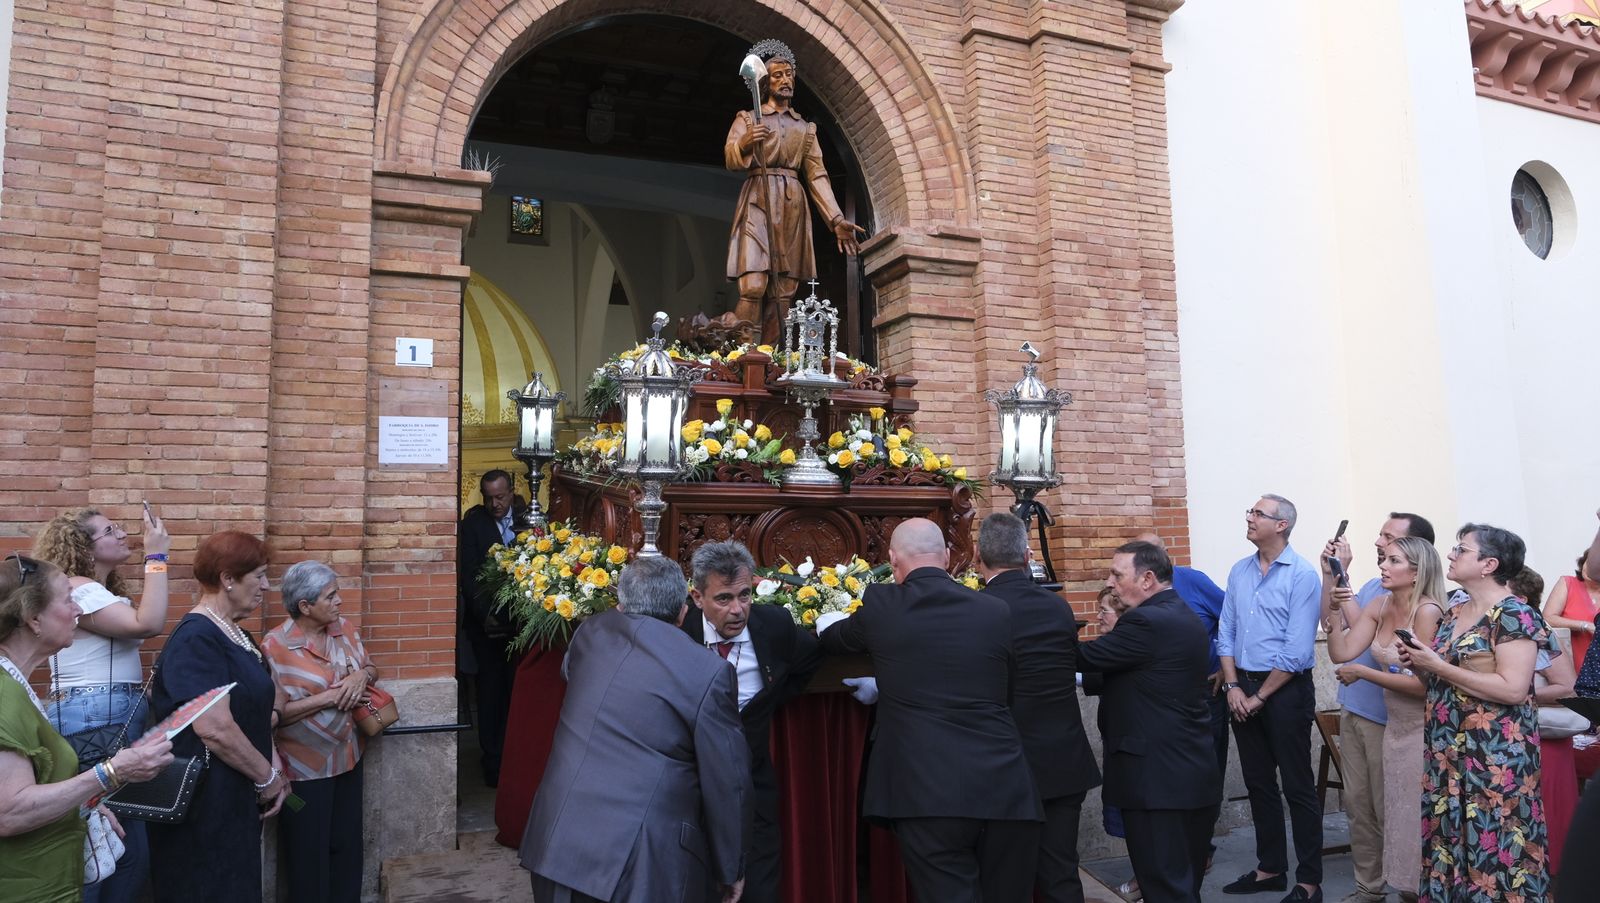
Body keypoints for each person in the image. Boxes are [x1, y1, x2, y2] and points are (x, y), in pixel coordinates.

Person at [816, 518, 1042, 902]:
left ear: (892, 561)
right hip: (1006, 786)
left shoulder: (883, 604)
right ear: (951, 557)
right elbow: (1008, 692)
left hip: (927, 792)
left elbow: (835, 639)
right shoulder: (995, 610)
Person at [519, 555, 750, 903]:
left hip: (557, 839)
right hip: (638, 864)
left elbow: (572, 674)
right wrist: (730, 868)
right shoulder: (708, 672)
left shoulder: (590, 632)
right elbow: (727, 780)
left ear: (621, 603)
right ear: (684, 610)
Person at [0, 554, 173, 903]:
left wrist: (82, 803)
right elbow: (9, 812)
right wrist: (110, 772)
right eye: (67, 599)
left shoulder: (16, 685)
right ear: (34, 619)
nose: (78, 610)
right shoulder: (4, 695)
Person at [1398, 523, 1551, 902]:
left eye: (1461, 549)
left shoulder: (1515, 614)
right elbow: (1441, 679)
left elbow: (1514, 689)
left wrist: (1437, 665)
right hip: (1447, 755)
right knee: (1448, 847)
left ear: (1489, 564)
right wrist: (1419, 661)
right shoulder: (1454, 611)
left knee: (1498, 850)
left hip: (1495, 761)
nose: (1450, 554)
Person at [147, 531, 291, 902]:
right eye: (258, 576)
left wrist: (272, 766)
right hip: (205, 802)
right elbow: (213, 727)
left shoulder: (239, 635)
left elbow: (260, 707)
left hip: (234, 797)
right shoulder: (197, 638)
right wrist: (266, 778)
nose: (266, 586)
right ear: (227, 579)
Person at [1077, 540, 1222, 903]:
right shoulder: (1178, 612)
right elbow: (1127, 673)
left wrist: (1038, 623)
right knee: (1181, 886)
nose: (1110, 582)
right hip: (1185, 775)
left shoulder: (1146, 620)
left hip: (1158, 784)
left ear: (1147, 579)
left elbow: (1083, 656)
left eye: (1116, 574)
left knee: (1166, 888)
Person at [680, 540, 819, 903]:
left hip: (753, 781)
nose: (738, 609)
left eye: (744, 595)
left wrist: (771, 700)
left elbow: (807, 662)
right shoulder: (679, 634)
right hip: (690, 783)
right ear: (697, 598)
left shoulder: (774, 625)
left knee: (759, 881)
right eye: (723, 599)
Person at [976, 512, 1100, 903]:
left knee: (1006, 880)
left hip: (1007, 764)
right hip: (1063, 758)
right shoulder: (1058, 608)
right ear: (1028, 554)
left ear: (977, 557)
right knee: (1061, 873)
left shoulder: (977, 610)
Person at [1319, 511, 1436, 903]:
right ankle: (1371, 887)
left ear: (1418, 560)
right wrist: (1334, 609)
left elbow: (1423, 683)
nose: (1380, 549)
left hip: (1410, 725)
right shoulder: (1379, 598)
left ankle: (1413, 887)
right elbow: (1342, 651)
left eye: (1391, 546)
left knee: (1402, 813)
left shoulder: (1430, 610)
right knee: (1360, 804)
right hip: (1367, 712)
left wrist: (1364, 674)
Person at [1217, 494, 1324, 903]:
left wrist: (1259, 695)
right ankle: (1270, 868)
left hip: (1285, 690)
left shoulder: (1302, 575)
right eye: (1250, 510)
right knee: (1258, 782)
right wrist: (1233, 687)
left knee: (1297, 786)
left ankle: (1309, 881)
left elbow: (1298, 649)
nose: (1249, 517)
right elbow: (1225, 632)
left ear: (1281, 525)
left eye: (1258, 513)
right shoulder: (1239, 571)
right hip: (1242, 685)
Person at [724, 38, 865, 344]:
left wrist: (836, 219)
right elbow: (731, 157)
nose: (785, 80)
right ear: (763, 81)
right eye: (777, 75)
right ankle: (744, 357)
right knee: (753, 284)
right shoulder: (748, 118)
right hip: (758, 200)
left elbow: (817, 175)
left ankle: (771, 358)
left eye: (789, 75)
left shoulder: (805, 128)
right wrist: (747, 142)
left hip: (792, 204)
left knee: (783, 290)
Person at [262, 560, 378, 903]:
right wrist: (328, 698)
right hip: (302, 770)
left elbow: (371, 667)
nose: (339, 601)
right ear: (305, 606)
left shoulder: (345, 629)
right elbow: (275, 716)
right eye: (331, 596)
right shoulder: (275, 648)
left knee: (347, 848)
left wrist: (362, 676)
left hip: (349, 758)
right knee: (306, 853)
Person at [1137, 531, 1227, 876]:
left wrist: (1223, 663)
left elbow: (1230, 618)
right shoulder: (1135, 590)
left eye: (1155, 554)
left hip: (1205, 695)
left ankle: (1200, 850)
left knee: (1206, 775)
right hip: (1156, 700)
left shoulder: (1193, 581)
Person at [457, 469, 525, 787]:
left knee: (518, 694)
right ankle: (493, 763)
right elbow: (468, 577)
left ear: (511, 492)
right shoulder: (473, 524)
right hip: (486, 627)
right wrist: (488, 617)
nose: (494, 504)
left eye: (500, 497)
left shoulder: (529, 517)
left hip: (523, 626)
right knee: (490, 695)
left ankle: (518, 759)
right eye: (488, 498)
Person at [1513, 567, 1581, 874]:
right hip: (1525, 737)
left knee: (1549, 823)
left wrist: (1514, 694)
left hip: (1545, 741)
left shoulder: (1539, 631)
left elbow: (1567, 687)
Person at [1543, 550, 1599, 671]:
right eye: (1588, 562)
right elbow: (1547, 618)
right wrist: (1585, 626)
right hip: (1571, 664)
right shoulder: (1568, 583)